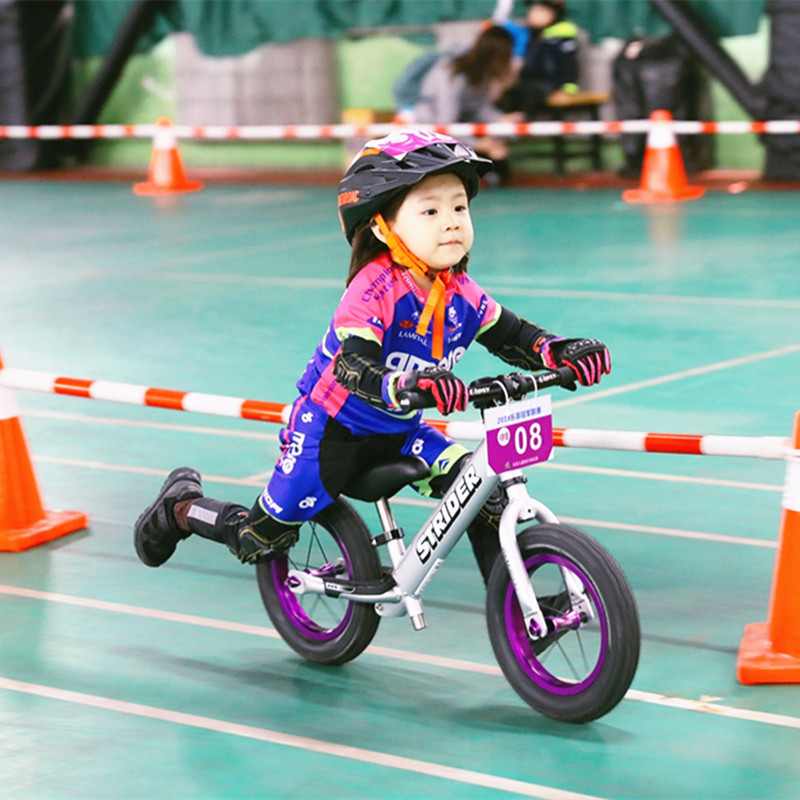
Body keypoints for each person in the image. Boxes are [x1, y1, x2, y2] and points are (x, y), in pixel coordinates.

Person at [134, 130, 611, 584]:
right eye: (430, 211)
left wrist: (560, 351)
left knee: (484, 493)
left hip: (401, 433)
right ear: (382, 227)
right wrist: (403, 386)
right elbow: (353, 365)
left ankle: (510, 600)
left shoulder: (459, 293)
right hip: (331, 432)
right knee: (258, 539)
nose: (451, 221)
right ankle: (181, 506)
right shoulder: (373, 289)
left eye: (460, 207)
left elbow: (514, 336)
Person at [402, 25, 521, 180]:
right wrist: (479, 145)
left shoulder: (482, 75)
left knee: (498, 151)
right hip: (431, 132)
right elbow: (446, 125)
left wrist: (501, 119)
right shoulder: (452, 73)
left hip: (460, 131)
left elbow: (479, 109)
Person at [500, 0, 580, 118]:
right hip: (528, 81)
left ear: (554, 13)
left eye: (539, 11)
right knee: (509, 93)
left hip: (551, 84)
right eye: (531, 10)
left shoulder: (562, 37)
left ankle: (521, 122)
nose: (532, 14)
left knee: (529, 94)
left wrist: (568, 89)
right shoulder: (529, 36)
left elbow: (570, 65)